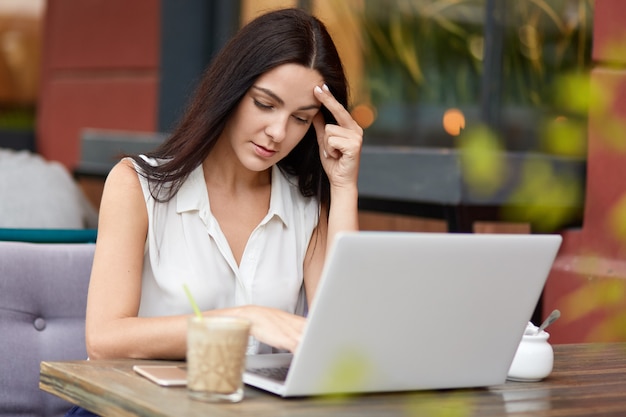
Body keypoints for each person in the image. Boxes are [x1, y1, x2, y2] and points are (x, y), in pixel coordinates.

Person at [85, 7, 362, 362]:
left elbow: (344, 338)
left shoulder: (305, 207)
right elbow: (104, 339)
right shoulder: (136, 186)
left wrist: (342, 187)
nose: (278, 132)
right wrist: (242, 320)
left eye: (300, 118)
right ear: (231, 90)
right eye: (265, 104)